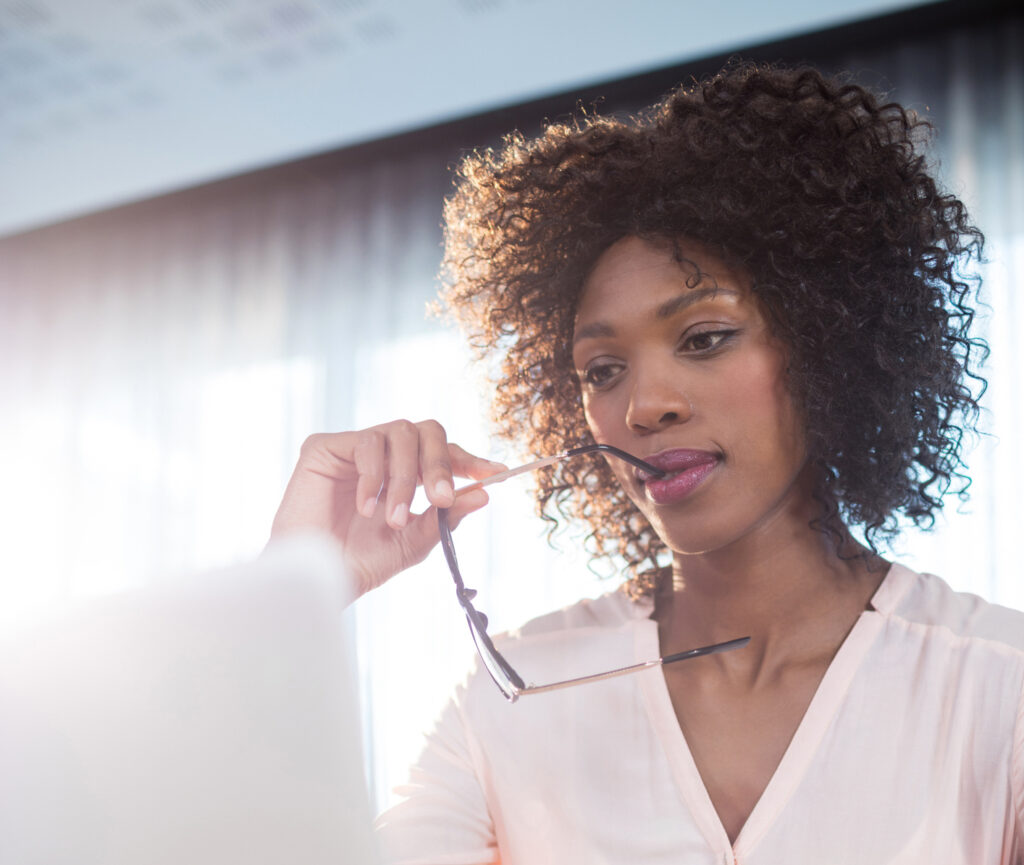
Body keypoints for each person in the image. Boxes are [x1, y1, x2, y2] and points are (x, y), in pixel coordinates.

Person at [271, 63, 1024, 863]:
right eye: (602, 370)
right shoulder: (512, 697)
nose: (643, 406)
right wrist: (293, 589)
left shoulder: (996, 689)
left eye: (704, 338)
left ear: (827, 342)